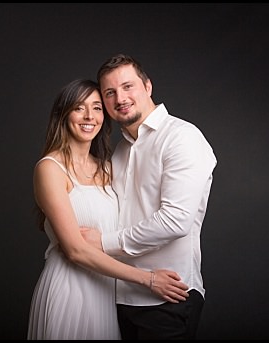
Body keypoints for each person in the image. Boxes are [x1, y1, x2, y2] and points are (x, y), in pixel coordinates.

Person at [28, 79, 190, 340]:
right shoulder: (49, 168)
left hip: (106, 292)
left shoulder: (108, 167)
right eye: (79, 108)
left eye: (97, 107)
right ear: (63, 114)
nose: (89, 116)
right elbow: (75, 250)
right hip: (70, 289)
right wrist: (148, 279)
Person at [81, 54, 217, 339]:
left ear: (148, 86)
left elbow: (176, 220)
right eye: (110, 92)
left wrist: (102, 243)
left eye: (128, 86)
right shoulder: (120, 151)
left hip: (168, 298)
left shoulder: (182, 137)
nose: (120, 98)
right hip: (118, 296)